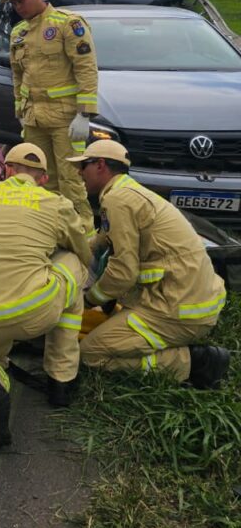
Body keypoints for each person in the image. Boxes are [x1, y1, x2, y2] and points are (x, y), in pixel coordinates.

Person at [0, 143, 91, 449]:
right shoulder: (55, 203)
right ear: (44, 179)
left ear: (7, 170)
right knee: (74, 264)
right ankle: (61, 378)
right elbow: (82, 249)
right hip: (33, 312)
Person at [70, 140, 229, 388]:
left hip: (177, 311)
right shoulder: (127, 193)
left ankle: (194, 362)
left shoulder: (118, 200)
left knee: (91, 353)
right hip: (187, 300)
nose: (79, 173)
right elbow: (100, 242)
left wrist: (88, 300)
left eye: (83, 166)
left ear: (100, 165)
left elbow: (123, 273)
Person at [2, 0, 97, 236]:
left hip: (65, 119)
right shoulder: (18, 32)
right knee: (37, 177)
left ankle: (84, 236)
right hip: (34, 118)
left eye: (21, 0)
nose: (17, 7)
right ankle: (50, 230)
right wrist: (19, 109)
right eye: (13, 3)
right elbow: (17, 75)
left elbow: (86, 69)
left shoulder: (67, 24)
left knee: (70, 180)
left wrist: (85, 114)